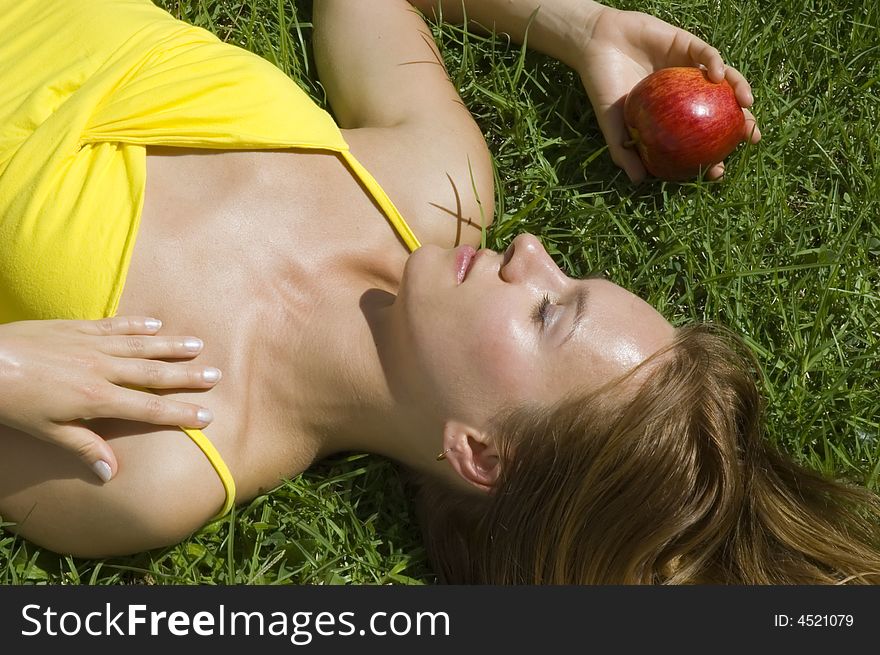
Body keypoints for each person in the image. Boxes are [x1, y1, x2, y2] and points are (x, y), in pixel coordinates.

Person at [0, 0, 877, 584]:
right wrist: (582, 28)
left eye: (548, 310)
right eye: (571, 274)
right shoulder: (434, 184)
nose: (532, 250)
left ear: (481, 454)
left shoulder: (161, 462)